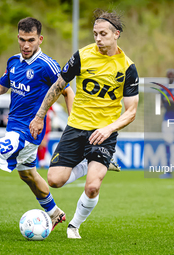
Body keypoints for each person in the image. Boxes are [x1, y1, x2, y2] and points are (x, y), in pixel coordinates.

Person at [0, 17, 79, 229]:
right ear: (18, 37)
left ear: (40, 39)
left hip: (25, 135)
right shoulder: (13, 61)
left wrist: (74, 126)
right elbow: (1, 87)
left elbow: (66, 90)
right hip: (13, 129)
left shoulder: (47, 65)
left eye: (31, 40)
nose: (26, 45)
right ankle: (54, 213)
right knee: (28, 174)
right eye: (22, 40)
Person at [29, 9, 139, 239]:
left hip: (104, 133)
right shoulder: (82, 55)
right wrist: (39, 116)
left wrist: (108, 128)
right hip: (76, 127)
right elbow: (58, 86)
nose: (98, 39)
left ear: (116, 34)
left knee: (92, 187)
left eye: (103, 34)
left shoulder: (127, 67)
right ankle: (88, 163)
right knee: (54, 181)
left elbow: (131, 112)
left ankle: (74, 226)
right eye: (95, 34)